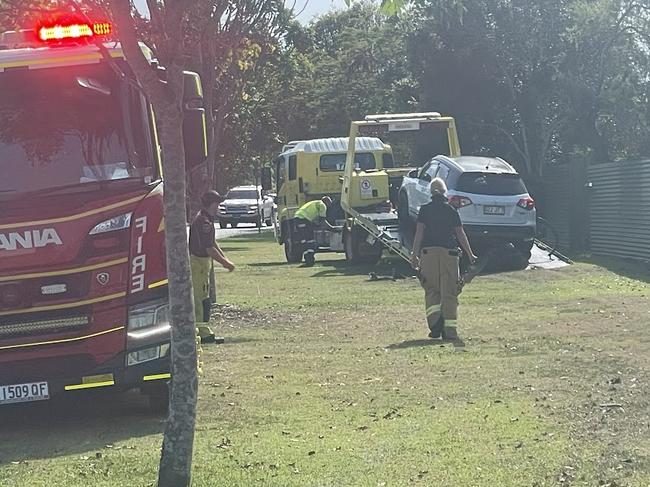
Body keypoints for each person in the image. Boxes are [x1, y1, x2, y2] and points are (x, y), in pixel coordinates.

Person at [411, 178, 477, 339]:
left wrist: (414, 254)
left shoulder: (424, 210)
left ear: (431, 192)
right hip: (449, 255)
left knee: (432, 289)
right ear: (444, 192)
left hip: (428, 255)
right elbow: (460, 234)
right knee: (449, 292)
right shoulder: (451, 210)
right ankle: (450, 330)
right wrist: (470, 254)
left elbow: (419, 233)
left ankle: (435, 326)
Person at [189, 190, 235, 344]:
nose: (219, 207)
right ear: (211, 204)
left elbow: (213, 243)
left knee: (204, 299)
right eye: (217, 203)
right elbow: (209, 248)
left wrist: (224, 258)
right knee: (200, 300)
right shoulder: (204, 222)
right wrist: (225, 263)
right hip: (198, 264)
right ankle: (202, 333)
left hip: (202, 264)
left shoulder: (206, 219)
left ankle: (204, 330)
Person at [292, 196, 336, 266]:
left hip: (297, 219)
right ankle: (310, 260)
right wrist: (332, 228)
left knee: (304, 241)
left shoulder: (315, 203)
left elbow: (315, 220)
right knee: (310, 241)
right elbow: (322, 221)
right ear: (326, 202)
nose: (329, 206)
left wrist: (317, 226)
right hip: (304, 219)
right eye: (329, 203)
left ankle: (308, 260)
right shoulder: (322, 205)